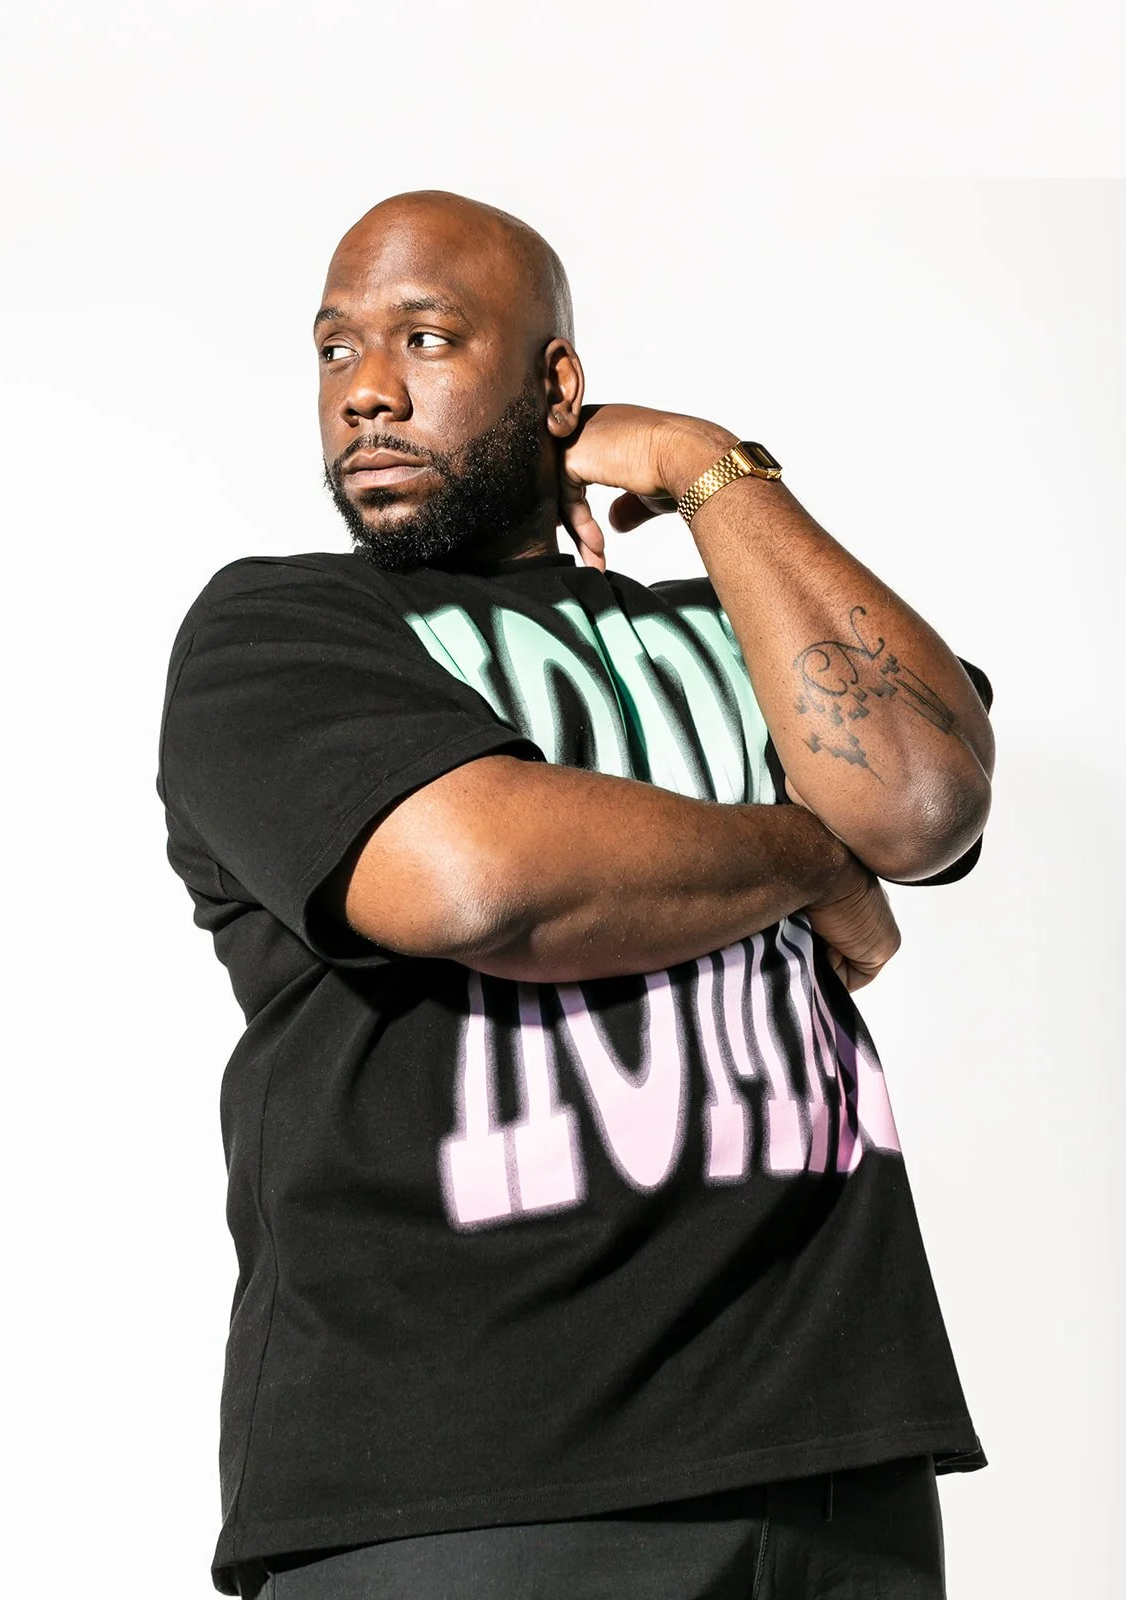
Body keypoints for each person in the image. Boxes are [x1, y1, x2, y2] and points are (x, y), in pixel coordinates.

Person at [157, 190, 995, 1599]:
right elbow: (483, 882)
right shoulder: (281, 630)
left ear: (556, 384)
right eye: (333, 349)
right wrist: (808, 859)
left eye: (424, 338)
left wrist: (710, 465)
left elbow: (922, 794)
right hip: (464, 1495)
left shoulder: (730, 636)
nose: (365, 389)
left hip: (838, 1469)